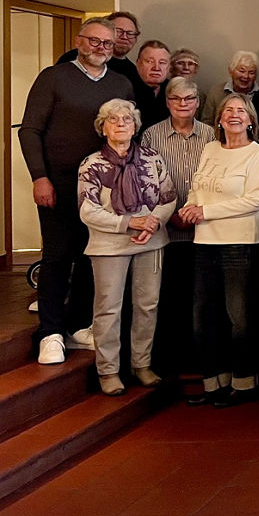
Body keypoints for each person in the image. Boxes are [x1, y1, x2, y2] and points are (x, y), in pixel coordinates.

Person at [21, 17, 134, 365]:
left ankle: (78, 325)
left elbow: (129, 135)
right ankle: (50, 333)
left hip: (104, 190)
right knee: (58, 256)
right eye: (94, 41)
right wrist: (40, 177)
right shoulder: (53, 77)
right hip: (59, 184)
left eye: (107, 43)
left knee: (91, 257)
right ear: (79, 40)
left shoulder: (121, 84)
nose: (101, 48)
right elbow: (29, 130)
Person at [78, 99, 176, 395]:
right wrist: (129, 222)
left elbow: (169, 197)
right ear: (102, 127)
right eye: (113, 119)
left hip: (151, 241)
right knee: (108, 309)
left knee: (148, 305)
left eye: (127, 119)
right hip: (108, 246)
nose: (121, 124)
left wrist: (153, 223)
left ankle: (141, 365)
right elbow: (87, 210)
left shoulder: (152, 158)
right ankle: (108, 370)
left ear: (135, 127)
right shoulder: (92, 164)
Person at [179, 93, 259, 407]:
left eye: (241, 111)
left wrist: (205, 212)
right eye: (228, 110)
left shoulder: (258, 153)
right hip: (204, 242)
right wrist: (190, 206)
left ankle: (244, 384)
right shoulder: (210, 149)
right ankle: (213, 384)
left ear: (250, 120)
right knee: (203, 317)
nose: (234, 115)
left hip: (239, 244)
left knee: (239, 318)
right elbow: (197, 187)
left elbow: (255, 200)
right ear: (218, 118)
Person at [141, 77, 215, 377]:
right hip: (166, 232)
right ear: (167, 102)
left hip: (204, 230)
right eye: (176, 98)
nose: (182, 104)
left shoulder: (211, 134)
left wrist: (197, 212)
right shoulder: (151, 135)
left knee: (202, 300)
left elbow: (218, 176)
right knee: (168, 299)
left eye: (189, 99)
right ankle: (170, 364)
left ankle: (201, 363)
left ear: (197, 102)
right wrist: (171, 213)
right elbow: (145, 181)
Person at [57, 11, 148, 99]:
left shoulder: (135, 73)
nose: (124, 37)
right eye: (119, 31)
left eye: (130, 33)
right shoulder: (74, 57)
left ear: (135, 39)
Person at [203, 50, 259, 125]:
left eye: (251, 72)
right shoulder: (216, 92)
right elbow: (207, 123)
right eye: (241, 71)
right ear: (231, 71)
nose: (246, 76)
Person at [135, 39, 171, 128]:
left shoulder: (174, 91)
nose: (156, 68)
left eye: (162, 63)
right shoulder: (125, 89)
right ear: (138, 64)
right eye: (150, 61)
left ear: (169, 67)